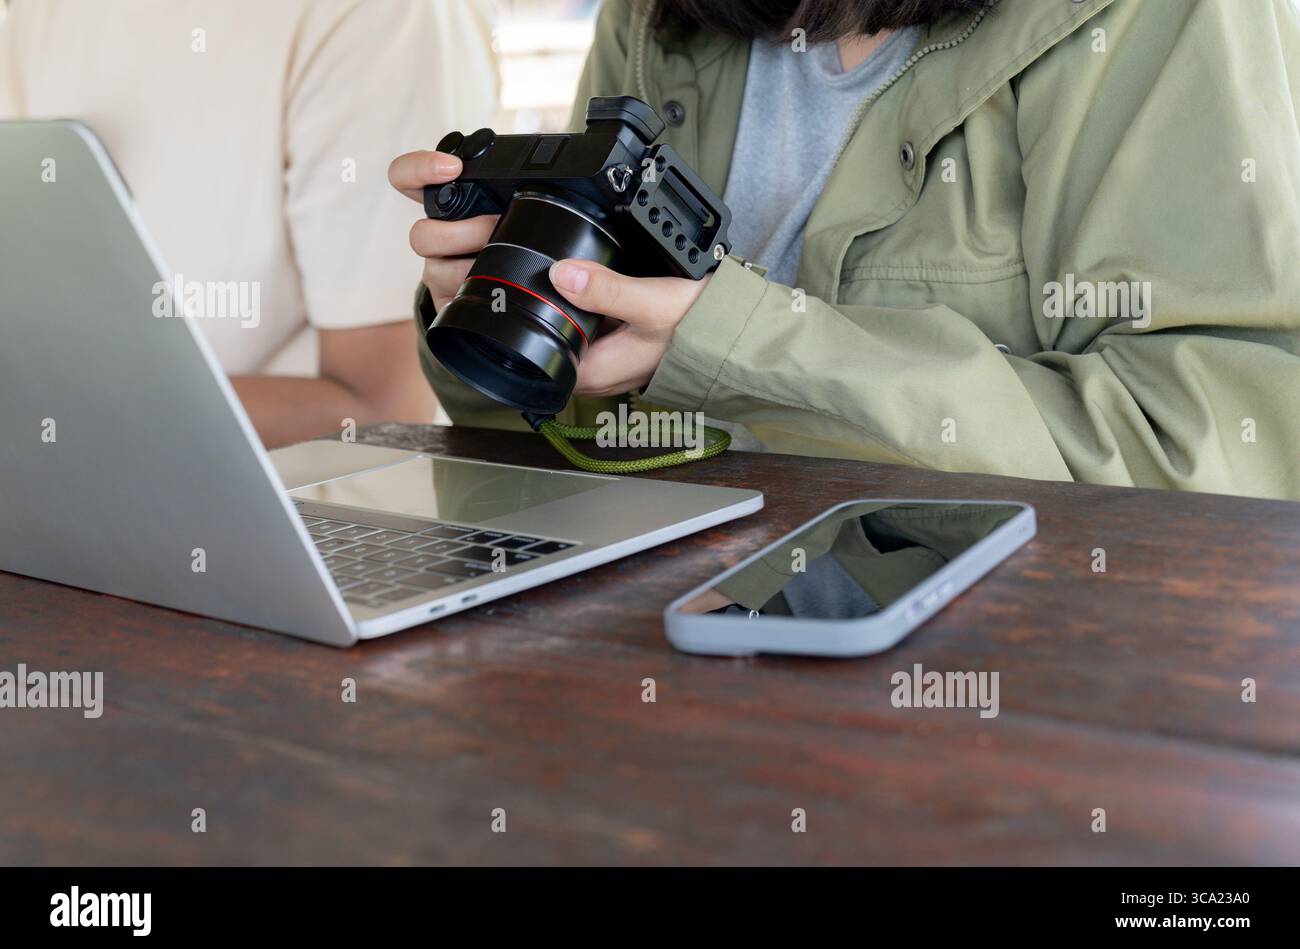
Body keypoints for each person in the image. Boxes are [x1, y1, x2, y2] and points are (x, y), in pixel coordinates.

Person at [391, 0, 1300, 500]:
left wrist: (741, 348)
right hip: (674, 640)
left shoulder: (1156, 18)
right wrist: (511, 311)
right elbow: (560, 448)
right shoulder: (652, 19)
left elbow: (1218, 454)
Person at [0, 0, 497, 448]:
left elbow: (385, 414)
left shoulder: (383, 18)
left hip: (297, 513)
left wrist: (57, 415)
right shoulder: (36, 15)